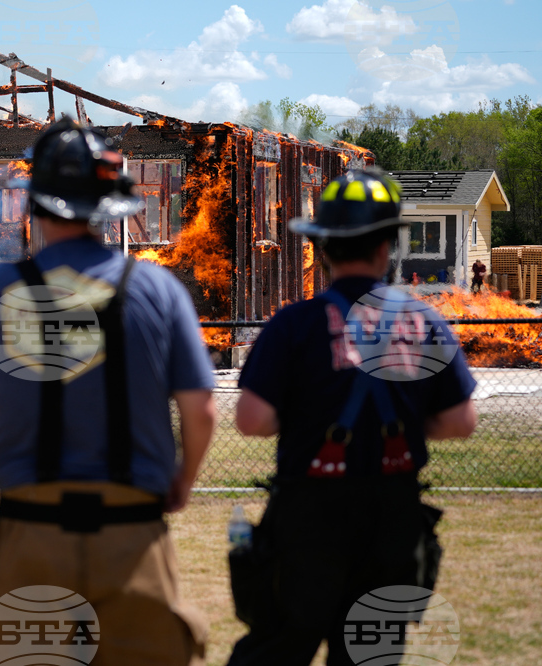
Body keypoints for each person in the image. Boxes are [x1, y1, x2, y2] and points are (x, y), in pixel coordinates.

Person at [0, 118, 218, 665]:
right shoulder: (157, 288)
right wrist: (182, 483)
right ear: (109, 207)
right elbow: (201, 410)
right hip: (132, 531)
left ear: (36, 205)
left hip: (30, 530)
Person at [225, 170, 478, 666]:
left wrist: (307, 416)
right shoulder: (424, 322)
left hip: (308, 516)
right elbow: (460, 422)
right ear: (388, 245)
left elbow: (252, 420)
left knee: (277, 645)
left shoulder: (293, 325)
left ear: (321, 249)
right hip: (393, 519)